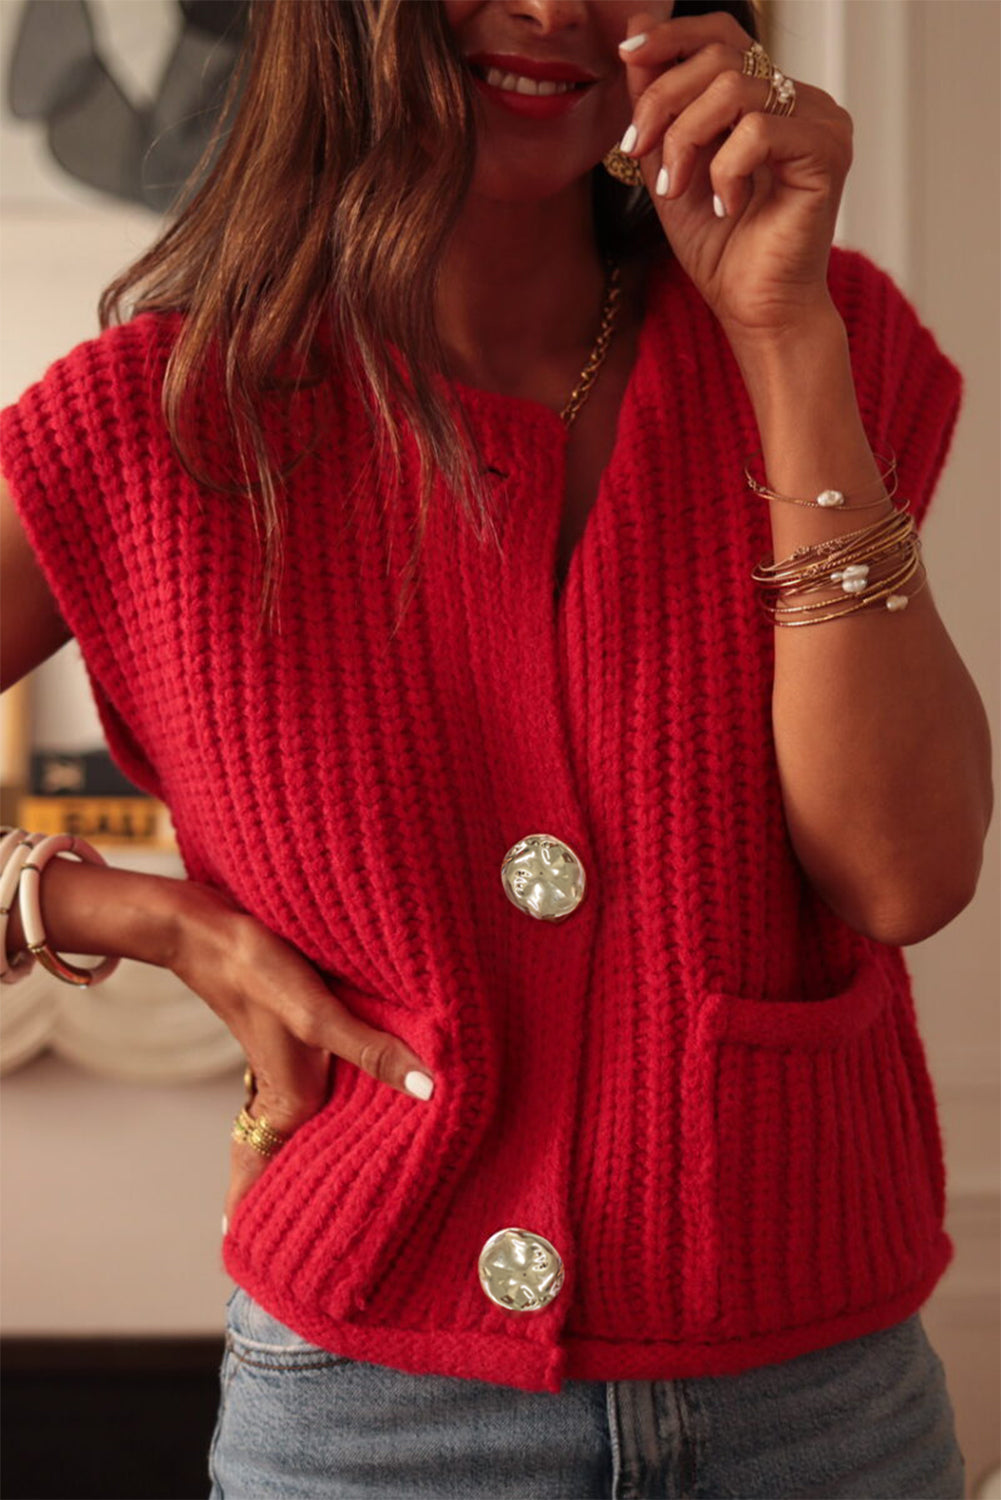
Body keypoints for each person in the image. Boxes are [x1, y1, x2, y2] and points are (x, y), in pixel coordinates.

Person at [0, 2, 992, 1495]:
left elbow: (903, 873)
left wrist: (783, 340)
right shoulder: (154, 423)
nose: (551, 5)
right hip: (375, 1418)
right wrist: (123, 913)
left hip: (820, 1404)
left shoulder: (825, 338)